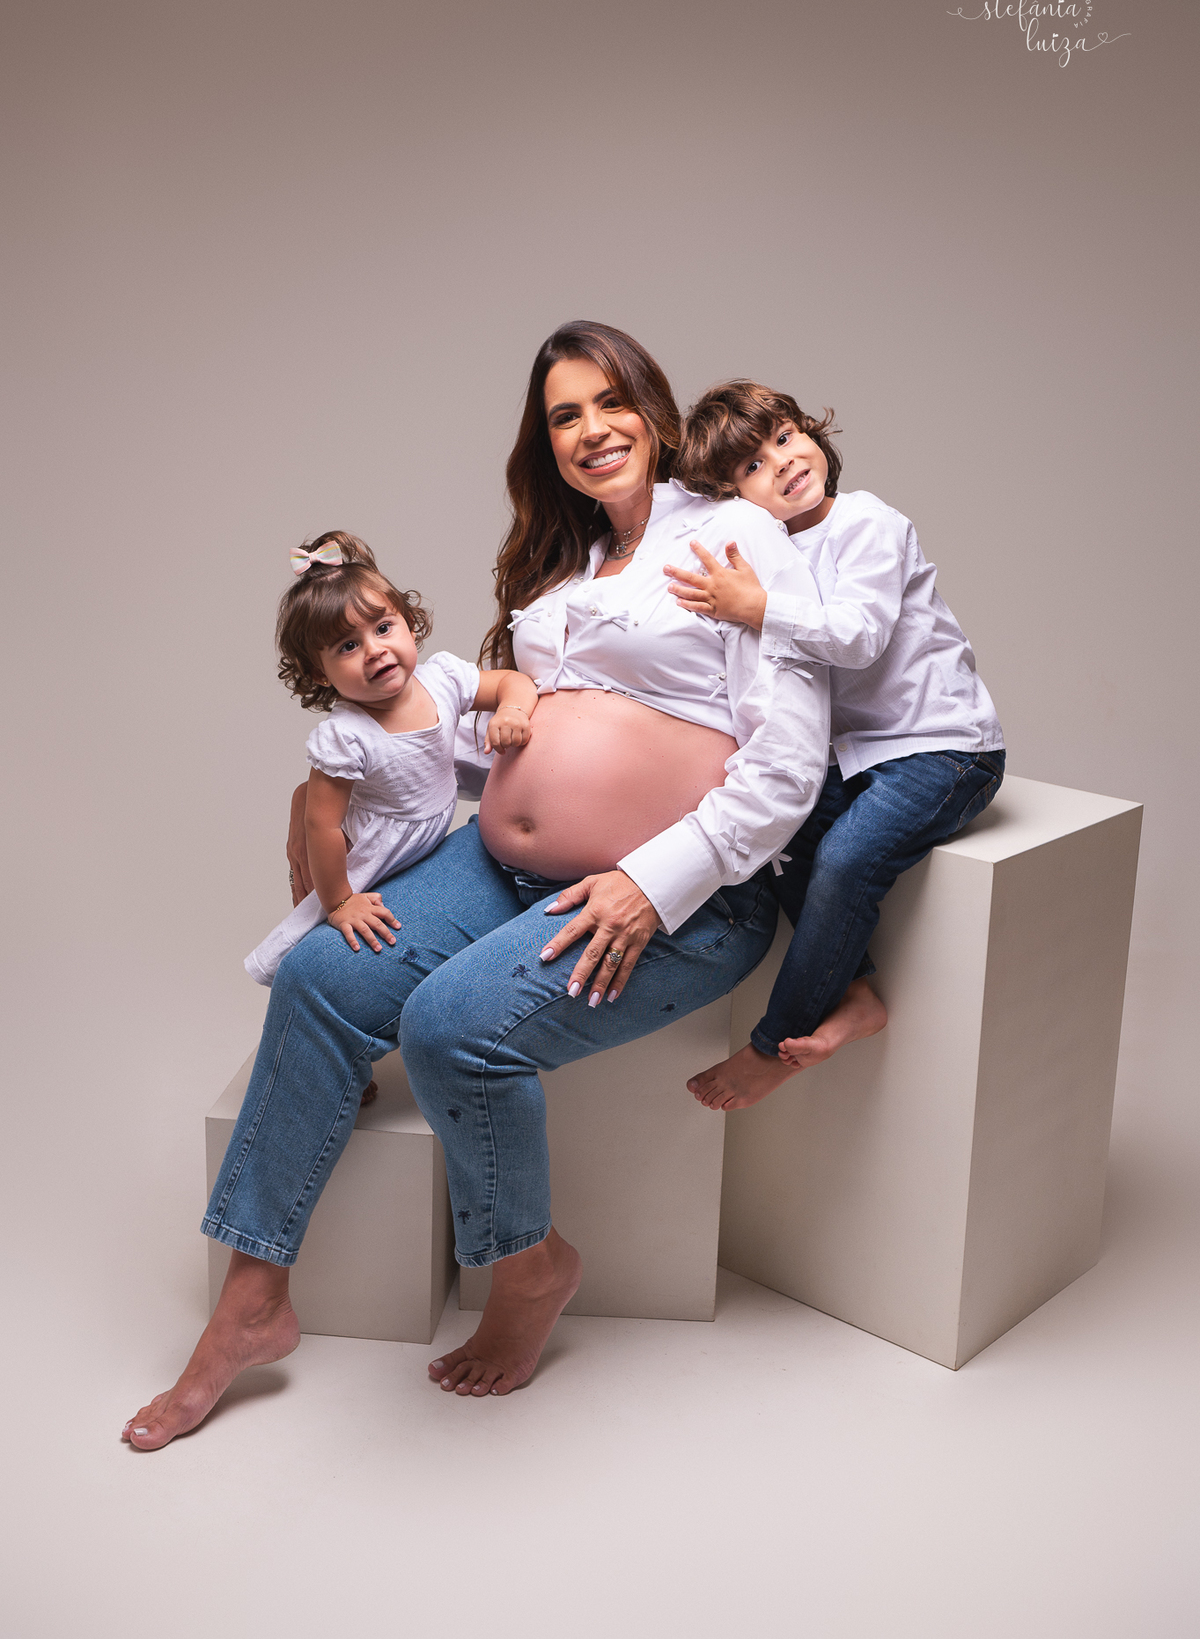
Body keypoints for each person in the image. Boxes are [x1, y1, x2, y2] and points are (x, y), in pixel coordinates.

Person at [122, 322, 830, 1449]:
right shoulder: (564, 568)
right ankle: (251, 1304)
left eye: (610, 402)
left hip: (678, 897)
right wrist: (351, 775)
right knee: (317, 976)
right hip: (498, 864)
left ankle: (528, 1266)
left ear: (653, 410)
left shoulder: (734, 533)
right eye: (563, 415)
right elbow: (489, 741)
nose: (591, 430)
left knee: (451, 1027)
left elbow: (789, 760)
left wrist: (652, 882)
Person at [662, 379, 1006, 1112]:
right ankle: (856, 994)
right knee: (779, 836)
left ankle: (772, 1047)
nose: (783, 462)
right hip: (855, 756)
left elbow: (859, 637)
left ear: (810, 432)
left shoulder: (867, 521)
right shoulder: (764, 549)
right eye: (753, 465)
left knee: (847, 858)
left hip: (943, 746)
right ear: (730, 497)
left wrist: (758, 608)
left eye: (785, 437)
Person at [245, 530, 537, 986]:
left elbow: (510, 683)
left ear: (409, 622)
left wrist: (513, 710)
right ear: (318, 673)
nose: (374, 650)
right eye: (348, 646)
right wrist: (341, 901)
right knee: (319, 940)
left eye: (383, 628)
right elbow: (321, 826)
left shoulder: (442, 679)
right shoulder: (346, 736)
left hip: (427, 840)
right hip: (374, 848)